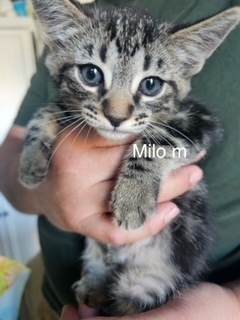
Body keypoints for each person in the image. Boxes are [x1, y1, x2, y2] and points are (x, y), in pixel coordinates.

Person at [0, 0, 240, 319]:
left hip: (180, 292)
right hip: (53, 292)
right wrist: (44, 191)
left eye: (150, 84)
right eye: (91, 74)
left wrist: (234, 303)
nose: (117, 112)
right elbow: (19, 143)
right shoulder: (85, 16)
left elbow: (202, 126)